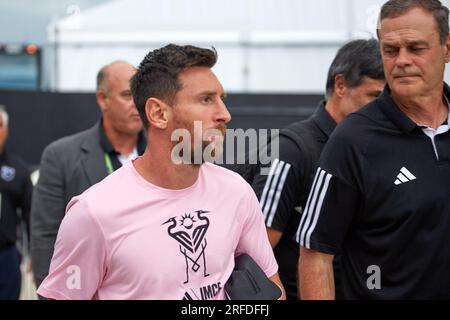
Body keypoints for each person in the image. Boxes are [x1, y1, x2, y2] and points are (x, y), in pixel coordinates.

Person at [36, 44, 284, 300]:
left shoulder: (236, 191)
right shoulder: (93, 213)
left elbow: (272, 291)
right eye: (206, 99)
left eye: (223, 99)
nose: (224, 114)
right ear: (158, 113)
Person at [298, 0, 450, 299]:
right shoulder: (352, 139)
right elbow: (315, 254)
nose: (402, 60)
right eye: (390, 50)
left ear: (447, 48)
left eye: (416, 48)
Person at [250, 39, 385, 300]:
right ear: (341, 85)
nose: (382, 108)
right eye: (374, 96)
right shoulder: (292, 150)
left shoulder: (375, 149)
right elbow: (255, 254)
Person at [30, 61, 146, 288]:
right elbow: (45, 234)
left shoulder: (162, 153)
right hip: (91, 287)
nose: (137, 104)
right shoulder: (61, 156)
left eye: (140, 95)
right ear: (103, 99)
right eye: (127, 95)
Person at [0, 107, 33, 299]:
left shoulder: (18, 170)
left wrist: (34, 254)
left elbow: (31, 214)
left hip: (6, 255)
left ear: (7, 130)